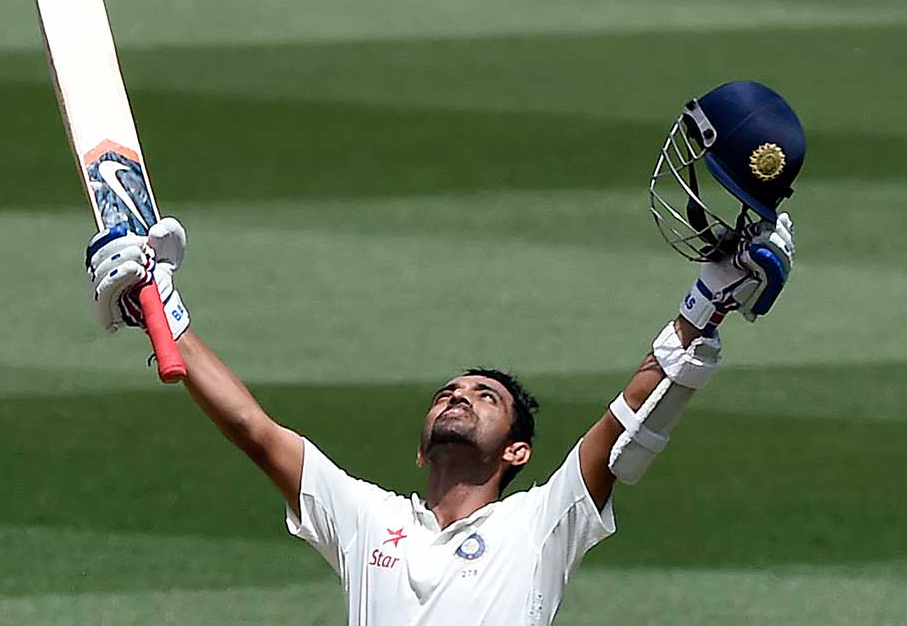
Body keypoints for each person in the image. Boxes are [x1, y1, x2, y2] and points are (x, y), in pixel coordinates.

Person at [84, 80, 804, 625]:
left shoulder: (541, 524)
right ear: (422, 448)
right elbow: (252, 429)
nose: (458, 397)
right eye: (449, 394)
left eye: (484, 397)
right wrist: (161, 312)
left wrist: (702, 308)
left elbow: (628, 426)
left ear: (517, 453)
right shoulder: (367, 520)